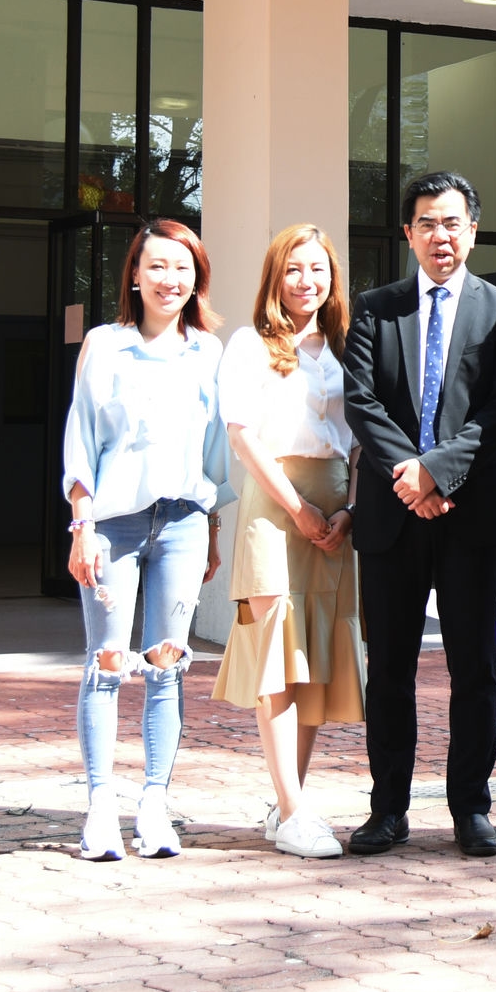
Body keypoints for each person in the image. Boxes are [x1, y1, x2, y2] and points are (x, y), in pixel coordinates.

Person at [342, 171, 496, 858]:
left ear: (472, 231)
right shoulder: (375, 307)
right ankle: (388, 808)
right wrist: (411, 475)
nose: (440, 235)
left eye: (452, 223)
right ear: (408, 233)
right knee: (390, 667)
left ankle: (470, 807)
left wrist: (439, 470)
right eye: (427, 223)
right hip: (392, 514)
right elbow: (361, 401)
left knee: (473, 668)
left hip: (471, 512)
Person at [59, 218, 229, 863]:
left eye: (182, 267)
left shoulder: (208, 351)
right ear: (134, 274)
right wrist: (82, 527)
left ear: (197, 278)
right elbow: (81, 440)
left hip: (185, 523)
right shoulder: (105, 345)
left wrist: (212, 529)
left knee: (167, 664)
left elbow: (216, 450)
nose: (169, 279)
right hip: (114, 526)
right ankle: (101, 807)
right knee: (107, 662)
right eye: (157, 265)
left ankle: (154, 806)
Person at [214, 223, 364, 860]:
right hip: (275, 506)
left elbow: (359, 441)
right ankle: (296, 809)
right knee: (277, 656)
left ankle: (286, 806)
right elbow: (242, 435)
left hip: (335, 508)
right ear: (275, 278)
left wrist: (349, 508)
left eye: (318, 269)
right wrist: (299, 509)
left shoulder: (345, 347)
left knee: (312, 658)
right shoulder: (250, 345)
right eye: (294, 269)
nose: (307, 280)